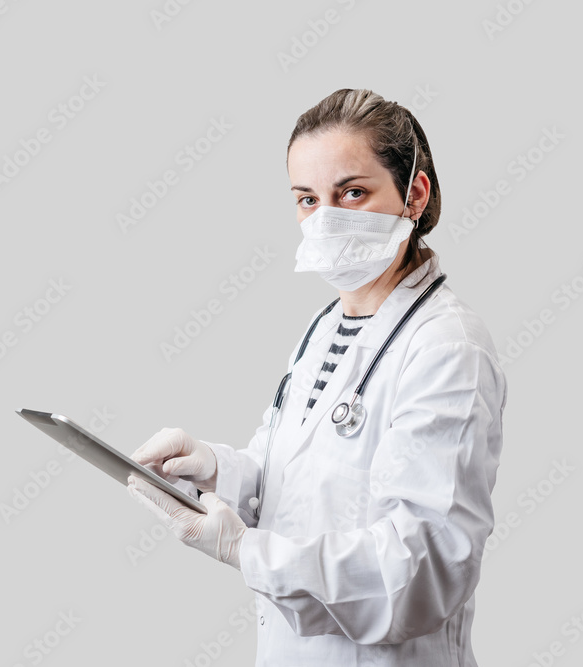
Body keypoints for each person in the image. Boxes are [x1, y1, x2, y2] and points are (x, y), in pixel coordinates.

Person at [126, 88, 507, 666]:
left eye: (352, 192)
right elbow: (295, 483)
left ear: (414, 194)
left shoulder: (447, 347)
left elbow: (419, 572)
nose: (325, 218)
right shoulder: (326, 325)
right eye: (307, 199)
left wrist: (244, 550)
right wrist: (214, 468)